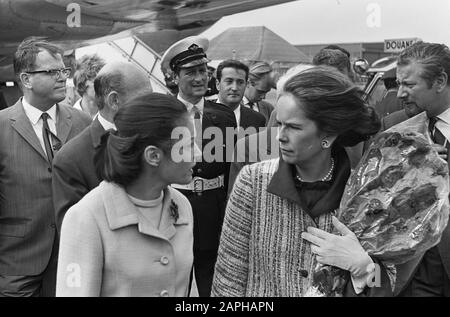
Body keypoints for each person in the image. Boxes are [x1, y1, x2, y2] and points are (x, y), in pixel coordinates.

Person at [212, 66, 394, 297]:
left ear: (327, 135)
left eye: (294, 127)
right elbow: (229, 279)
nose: (280, 136)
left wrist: (366, 267)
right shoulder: (252, 182)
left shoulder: (364, 194)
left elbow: (386, 281)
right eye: (280, 124)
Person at [56, 93, 200, 296]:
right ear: (153, 156)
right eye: (188, 145)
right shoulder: (86, 217)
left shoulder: (181, 205)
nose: (198, 153)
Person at [0, 38, 91, 297]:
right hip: (16, 264)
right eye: (52, 72)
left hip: (71, 260)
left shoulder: (82, 122)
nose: (63, 78)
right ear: (26, 79)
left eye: (63, 71)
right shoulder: (2, 126)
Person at [160, 36, 236, 297]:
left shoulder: (224, 116)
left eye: (203, 71)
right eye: (190, 72)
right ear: (174, 77)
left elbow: (230, 167)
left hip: (213, 209)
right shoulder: (163, 114)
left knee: (211, 281)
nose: (199, 78)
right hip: (173, 206)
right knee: (173, 279)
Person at [52, 61, 153, 234]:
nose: (151, 106)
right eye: (144, 99)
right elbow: (75, 234)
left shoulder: (153, 139)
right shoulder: (71, 160)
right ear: (114, 100)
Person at [389, 42, 450, 297]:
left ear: (440, 81)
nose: (400, 93)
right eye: (398, 83)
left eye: (409, 85)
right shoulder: (393, 126)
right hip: (408, 273)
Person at [227, 64, 313, 193]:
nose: (263, 96)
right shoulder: (229, 109)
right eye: (261, 91)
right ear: (249, 83)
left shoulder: (267, 108)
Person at [216, 59, 266, 132]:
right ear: (218, 84)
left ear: (246, 85)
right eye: (229, 81)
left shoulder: (258, 120)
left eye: (240, 82)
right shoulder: (201, 116)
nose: (234, 88)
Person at [72, 54, 106, 118]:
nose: (103, 86)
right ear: (82, 85)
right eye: (97, 82)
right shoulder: (69, 117)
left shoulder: (111, 117)